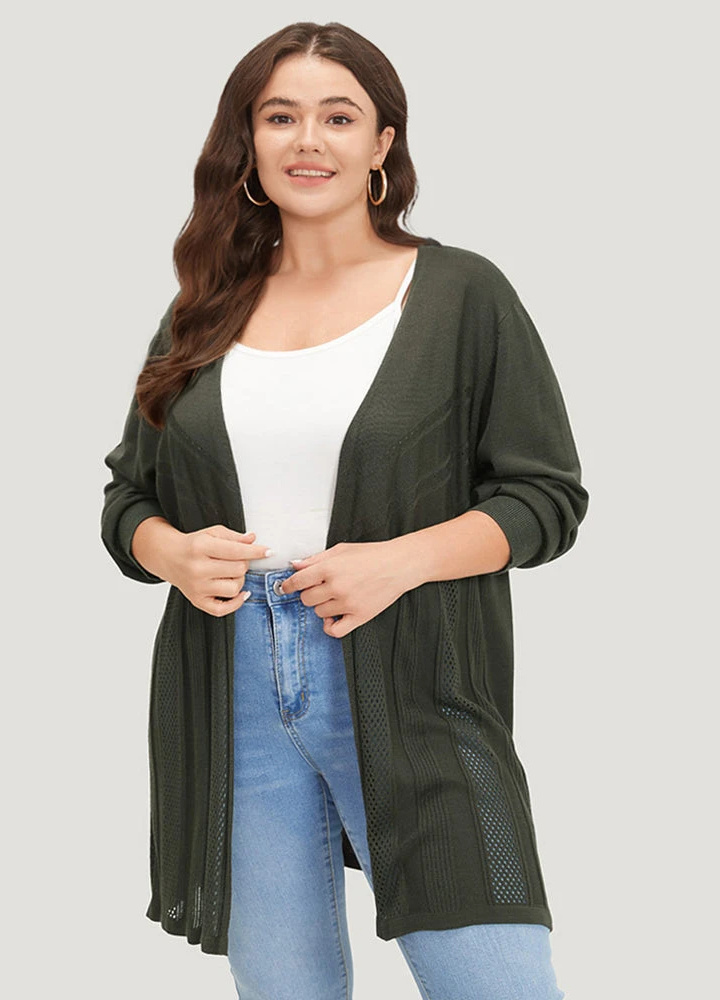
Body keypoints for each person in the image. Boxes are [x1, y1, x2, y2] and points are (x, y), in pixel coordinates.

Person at [101, 20, 588, 1000]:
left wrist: (397, 561)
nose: (308, 140)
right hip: (231, 686)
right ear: (248, 143)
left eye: (338, 116)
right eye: (280, 117)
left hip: (414, 680)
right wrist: (171, 553)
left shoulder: (460, 295)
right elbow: (129, 496)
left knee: (497, 980)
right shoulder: (203, 310)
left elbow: (546, 497)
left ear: (381, 144)